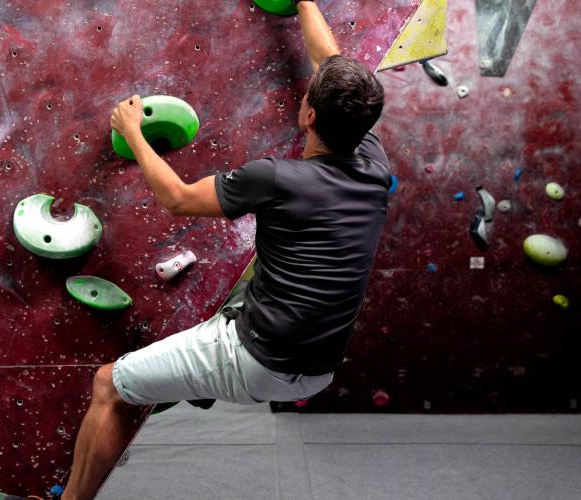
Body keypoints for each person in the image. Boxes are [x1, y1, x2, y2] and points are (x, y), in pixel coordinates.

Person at [61, 1, 389, 498]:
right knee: (251, 286)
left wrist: (133, 132)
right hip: (318, 369)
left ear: (309, 114)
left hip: (257, 359)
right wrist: (304, 2)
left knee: (111, 384)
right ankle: (202, 384)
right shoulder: (372, 162)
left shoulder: (276, 178)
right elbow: (331, 63)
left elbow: (178, 199)